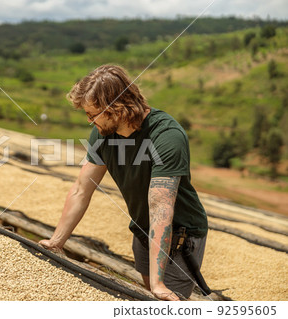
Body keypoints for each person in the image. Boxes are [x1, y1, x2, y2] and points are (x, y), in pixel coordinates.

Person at [39, 64, 208, 301]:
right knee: (147, 298)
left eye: (92, 114)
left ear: (116, 108)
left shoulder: (166, 135)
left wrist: (159, 283)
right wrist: (56, 242)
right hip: (142, 230)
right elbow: (81, 190)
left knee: (164, 301)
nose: (89, 121)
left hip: (180, 238)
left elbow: (161, 208)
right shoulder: (102, 133)